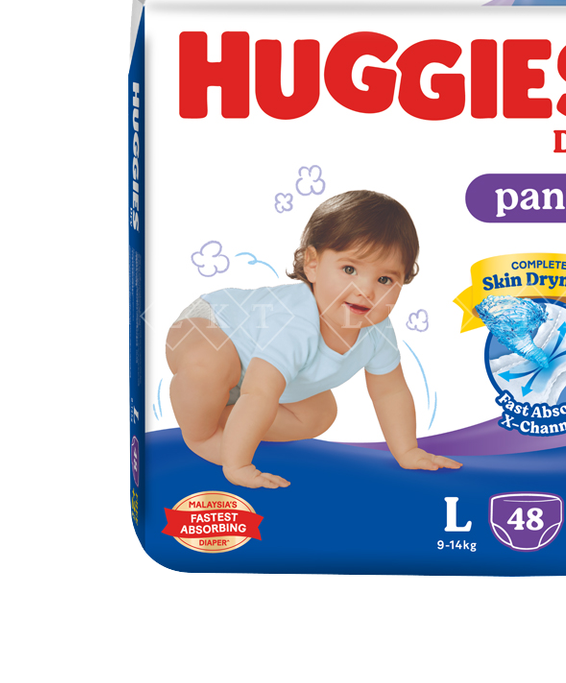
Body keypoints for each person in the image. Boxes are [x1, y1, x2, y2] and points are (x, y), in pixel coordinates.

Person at [165, 190, 462, 488]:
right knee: (209, 367)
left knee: (320, 414)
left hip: (253, 379)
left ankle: (222, 416)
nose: (366, 291)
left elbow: (390, 393)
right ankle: (200, 434)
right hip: (210, 325)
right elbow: (259, 394)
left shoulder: (376, 330)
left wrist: (407, 451)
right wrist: (238, 464)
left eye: (385, 279)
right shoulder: (294, 322)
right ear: (312, 264)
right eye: (349, 269)